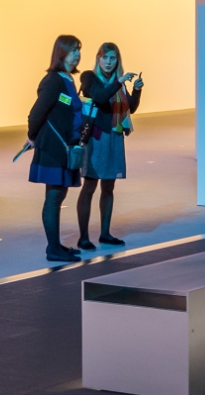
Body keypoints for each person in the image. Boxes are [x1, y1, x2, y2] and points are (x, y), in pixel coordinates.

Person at [75, 42, 143, 251]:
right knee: (90, 186)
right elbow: (100, 96)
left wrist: (136, 90)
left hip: (114, 136)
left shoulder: (117, 81)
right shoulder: (89, 77)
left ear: (117, 60)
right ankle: (83, 237)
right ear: (98, 58)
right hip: (96, 138)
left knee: (109, 187)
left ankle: (105, 234)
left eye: (112, 58)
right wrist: (119, 82)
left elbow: (130, 107)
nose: (108, 62)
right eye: (105, 57)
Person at [27, 34, 85, 266]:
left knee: (59, 195)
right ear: (61, 53)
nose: (77, 54)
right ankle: (53, 248)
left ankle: (56, 245)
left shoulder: (68, 79)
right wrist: (32, 136)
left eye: (79, 49)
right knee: (53, 197)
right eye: (73, 50)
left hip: (66, 147)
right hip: (54, 147)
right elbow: (36, 114)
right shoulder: (53, 80)